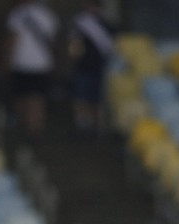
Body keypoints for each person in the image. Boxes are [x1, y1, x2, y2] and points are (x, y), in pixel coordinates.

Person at [6, 0, 58, 136]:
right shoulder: (48, 15)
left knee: (21, 97)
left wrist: (7, 61)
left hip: (21, 63)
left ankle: (23, 130)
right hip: (42, 64)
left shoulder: (17, 14)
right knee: (38, 99)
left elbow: (13, 40)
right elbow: (52, 41)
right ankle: (35, 130)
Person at [70, 1, 115, 133]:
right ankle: (83, 123)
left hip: (100, 66)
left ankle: (97, 125)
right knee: (82, 96)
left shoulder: (105, 24)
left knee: (97, 98)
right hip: (84, 66)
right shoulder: (80, 24)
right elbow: (74, 46)